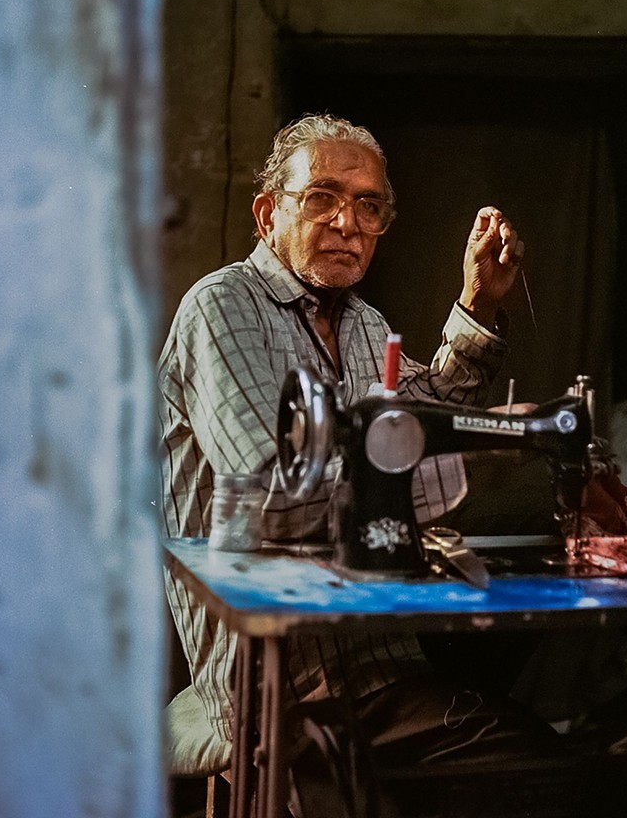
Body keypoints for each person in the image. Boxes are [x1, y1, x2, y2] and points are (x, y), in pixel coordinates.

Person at [160, 114, 578, 816]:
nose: (347, 223)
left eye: (368, 206)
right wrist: (472, 470)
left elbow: (423, 411)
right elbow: (273, 490)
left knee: (542, 771)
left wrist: (476, 305)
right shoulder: (222, 308)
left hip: (379, 668)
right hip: (275, 682)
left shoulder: (362, 326)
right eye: (322, 197)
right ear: (269, 213)